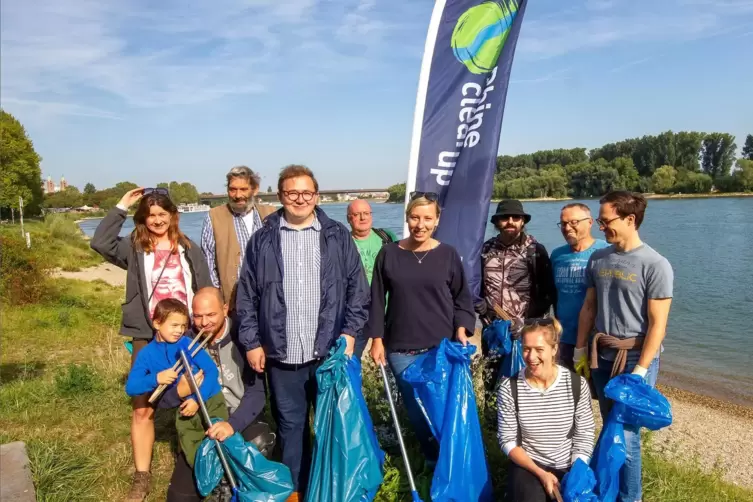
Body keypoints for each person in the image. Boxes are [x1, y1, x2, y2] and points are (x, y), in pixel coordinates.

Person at [235, 165, 370, 502]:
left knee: (332, 428)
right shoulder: (263, 238)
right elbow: (247, 295)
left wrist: (351, 333)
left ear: (317, 196)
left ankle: (332, 490)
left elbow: (358, 291)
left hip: (328, 356)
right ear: (281, 196)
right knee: (291, 429)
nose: (300, 199)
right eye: (292, 193)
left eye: (306, 193)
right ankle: (295, 492)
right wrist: (251, 342)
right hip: (282, 356)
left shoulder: (337, 235)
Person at [90, 187, 211, 502]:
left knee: (196, 395)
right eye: (150, 215)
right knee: (143, 406)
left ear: (173, 215)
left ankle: (199, 461)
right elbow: (100, 242)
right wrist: (121, 206)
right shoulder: (134, 248)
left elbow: (205, 288)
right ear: (143, 218)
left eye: (162, 214)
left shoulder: (189, 248)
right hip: (148, 333)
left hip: (187, 336)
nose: (157, 220)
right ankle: (142, 476)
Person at [574, 191, 673, 502]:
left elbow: (658, 325)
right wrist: (579, 350)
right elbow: (589, 307)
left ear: (630, 219)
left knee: (627, 433)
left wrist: (641, 372)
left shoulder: (655, 264)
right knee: (609, 425)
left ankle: (631, 497)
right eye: (600, 222)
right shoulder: (598, 258)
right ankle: (611, 489)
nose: (601, 228)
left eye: (606, 221)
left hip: (635, 358)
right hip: (601, 354)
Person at [366, 192, 476, 465]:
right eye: (415, 217)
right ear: (407, 218)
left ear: (437, 220)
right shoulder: (389, 253)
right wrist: (377, 339)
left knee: (442, 407)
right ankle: (430, 459)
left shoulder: (448, 254)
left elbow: (463, 299)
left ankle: (452, 461)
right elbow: (377, 301)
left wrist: (462, 329)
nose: (420, 224)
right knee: (417, 410)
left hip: (441, 348)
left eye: (428, 218)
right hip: (401, 349)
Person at [160, 287, 273, 502]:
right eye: (198, 316)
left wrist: (232, 424)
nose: (204, 323)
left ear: (225, 309)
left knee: (260, 438)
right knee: (178, 498)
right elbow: (162, 400)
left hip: (237, 414)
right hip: (202, 417)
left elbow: (257, 393)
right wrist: (180, 392)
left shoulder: (244, 337)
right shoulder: (184, 342)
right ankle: (215, 474)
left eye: (211, 315)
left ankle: (232, 483)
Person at [497, 317, 595, 502]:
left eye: (539, 349)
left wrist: (576, 472)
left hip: (569, 464)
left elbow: (584, 434)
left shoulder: (576, 384)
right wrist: (541, 474)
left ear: (554, 349)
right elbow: (507, 440)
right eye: (526, 349)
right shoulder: (510, 388)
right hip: (529, 465)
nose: (531, 357)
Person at [125, 299, 227, 468]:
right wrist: (156, 378)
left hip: (209, 398)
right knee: (191, 443)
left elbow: (211, 371)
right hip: (184, 406)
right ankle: (205, 474)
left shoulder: (188, 344)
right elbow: (131, 387)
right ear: (157, 323)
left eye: (183, 326)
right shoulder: (146, 354)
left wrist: (196, 398)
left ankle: (226, 471)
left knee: (219, 437)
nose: (180, 331)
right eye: (174, 325)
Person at [477, 199, 555, 409]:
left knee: (527, 384)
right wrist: (481, 305)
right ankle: (494, 428)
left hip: (525, 332)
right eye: (505, 217)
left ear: (523, 221)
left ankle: (528, 428)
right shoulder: (485, 249)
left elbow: (547, 293)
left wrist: (527, 324)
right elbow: (478, 284)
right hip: (493, 329)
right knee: (492, 381)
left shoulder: (535, 250)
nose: (510, 222)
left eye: (516, 218)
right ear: (497, 222)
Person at [201, 166, 277, 310]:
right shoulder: (213, 217)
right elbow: (208, 264)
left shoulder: (271, 214)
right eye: (232, 189)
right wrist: (216, 300)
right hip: (232, 304)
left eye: (243, 189)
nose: (237, 195)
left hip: (269, 301)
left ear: (254, 189)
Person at [550, 203, 608, 370]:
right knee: (569, 391)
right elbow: (553, 294)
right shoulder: (557, 255)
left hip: (596, 340)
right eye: (563, 223)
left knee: (596, 392)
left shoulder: (605, 251)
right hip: (564, 337)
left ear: (590, 222)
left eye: (573, 222)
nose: (567, 228)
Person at [346, 198, 398, 358]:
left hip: (386, 309)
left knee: (392, 358)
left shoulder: (386, 237)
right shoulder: (343, 243)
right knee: (350, 357)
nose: (363, 218)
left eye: (366, 213)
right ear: (349, 218)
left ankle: (390, 383)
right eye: (357, 214)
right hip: (357, 311)